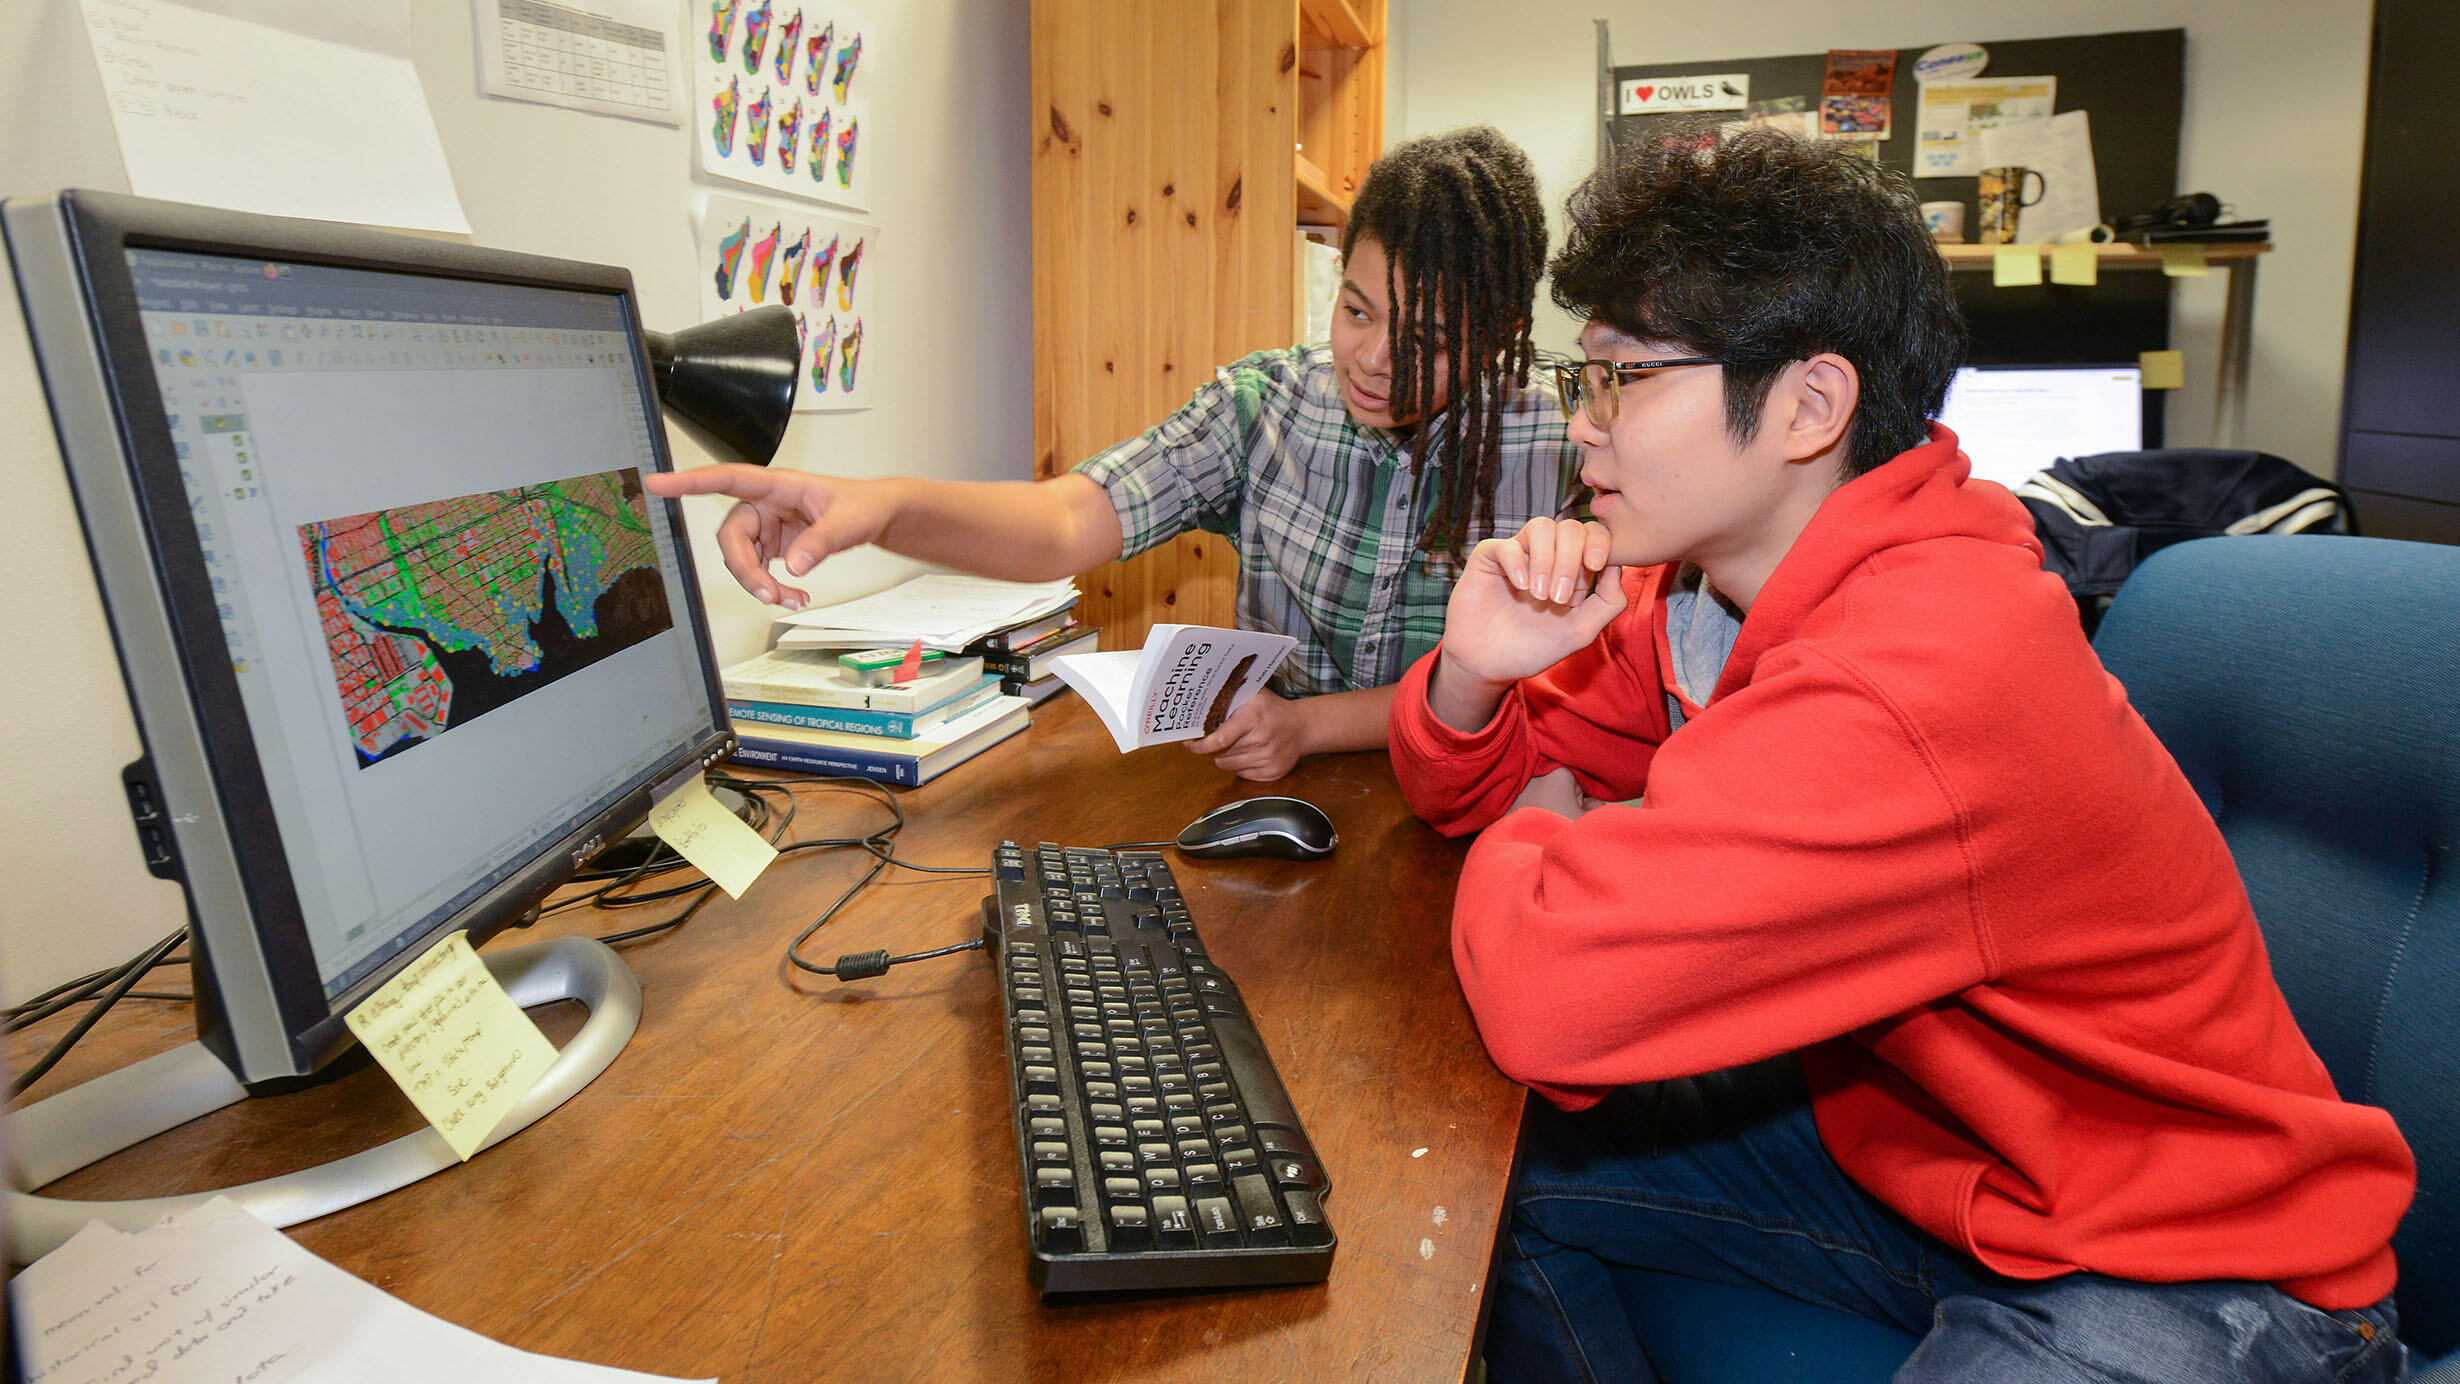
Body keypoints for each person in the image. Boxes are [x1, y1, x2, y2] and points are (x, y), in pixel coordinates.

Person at [1387, 124, 2416, 1383]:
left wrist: (1548, 823)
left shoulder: (1920, 668)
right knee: (1496, 1179)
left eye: (1624, 376)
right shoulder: (1701, 599)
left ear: (1812, 406)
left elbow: (1552, 990)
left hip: (2202, 1268)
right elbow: (1476, 791)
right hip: (1956, 1182)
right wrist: (1478, 679)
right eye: (1581, 377)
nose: (1583, 430)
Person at [647, 126, 1574, 781]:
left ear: (1495, 336)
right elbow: (1062, 521)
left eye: (1429, 342)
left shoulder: (1564, 451)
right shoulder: (1265, 406)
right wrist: (881, 506)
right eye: (1358, 310)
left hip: (1477, 812)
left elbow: (1542, 689)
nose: (1374, 360)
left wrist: (1309, 726)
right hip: (1273, 800)